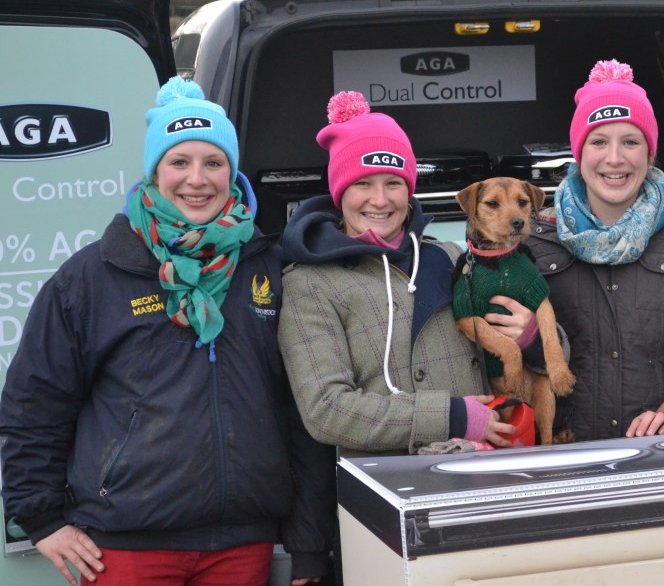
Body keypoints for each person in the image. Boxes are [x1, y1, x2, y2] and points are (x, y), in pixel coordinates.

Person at [0, 77, 333, 586]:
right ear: (155, 172)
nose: (196, 179)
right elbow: (34, 404)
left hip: (242, 542)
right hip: (125, 544)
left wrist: (309, 544)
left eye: (213, 163)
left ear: (232, 171)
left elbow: (301, 413)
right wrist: (40, 519)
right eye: (179, 162)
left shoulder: (268, 267)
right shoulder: (92, 276)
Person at [278, 91, 540, 457]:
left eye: (393, 183)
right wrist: (449, 417)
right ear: (340, 192)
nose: (380, 200)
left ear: (410, 190)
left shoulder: (451, 257)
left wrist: (535, 339)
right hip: (388, 488)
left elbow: (547, 346)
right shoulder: (310, 282)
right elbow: (326, 410)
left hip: (490, 465)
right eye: (363, 184)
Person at [522, 59, 664, 442]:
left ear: (649, 154)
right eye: (599, 141)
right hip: (559, 458)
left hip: (663, 458)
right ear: (579, 153)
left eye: (630, 142)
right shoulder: (533, 240)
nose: (614, 159)